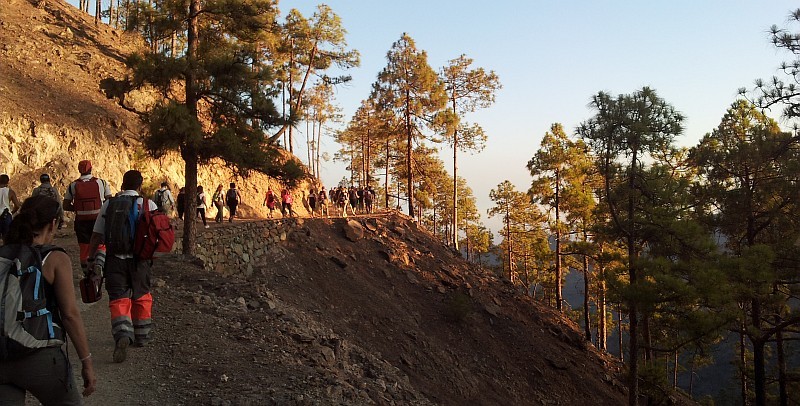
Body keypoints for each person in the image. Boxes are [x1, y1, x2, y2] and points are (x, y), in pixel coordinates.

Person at [0, 195, 96, 403]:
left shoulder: (3, 255)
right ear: (53, 224)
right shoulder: (55, 258)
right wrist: (86, 362)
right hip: (39, 357)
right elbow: (69, 315)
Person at [87, 170, 158, 363]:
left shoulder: (108, 205)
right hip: (139, 261)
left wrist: (90, 258)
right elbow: (155, 234)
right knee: (141, 296)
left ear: (122, 184)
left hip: (114, 260)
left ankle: (123, 335)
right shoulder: (147, 204)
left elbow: (96, 236)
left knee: (119, 299)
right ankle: (142, 335)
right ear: (140, 185)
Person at [63, 160, 112, 271]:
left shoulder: (73, 185)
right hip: (98, 219)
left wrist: (78, 209)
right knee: (101, 244)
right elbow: (109, 200)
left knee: (84, 247)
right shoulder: (102, 183)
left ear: (79, 170)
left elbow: (65, 205)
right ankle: (99, 264)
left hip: (81, 222)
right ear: (91, 169)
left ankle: (86, 272)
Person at [0, 174, 21, 241]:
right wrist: (12, 213)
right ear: (7, 182)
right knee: (7, 239)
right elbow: (17, 205)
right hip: (6, 216)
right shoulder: (10, 192)